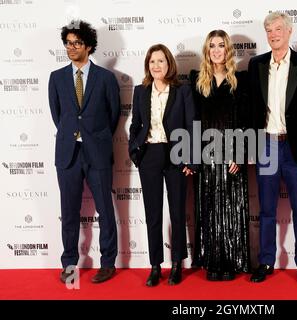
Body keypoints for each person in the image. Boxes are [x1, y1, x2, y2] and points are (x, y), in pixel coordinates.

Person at [248, 12, 297, 284]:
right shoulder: (256, 65)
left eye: (278, 29)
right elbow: (251, 110)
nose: (273, 34)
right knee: (266, 209)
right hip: (266, 144)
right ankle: (266, 261)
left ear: (289, 32)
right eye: (268, 30)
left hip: (295, 146)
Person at [48, 20, 120, 284]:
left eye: (77, 43)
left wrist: (93, 137)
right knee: (68, 211)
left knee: (105, 208)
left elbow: (113, 116)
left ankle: (108, 262)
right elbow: (59, 117)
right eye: (68, 43)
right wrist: (74, 135)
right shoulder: (56, 78)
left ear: (89, 46)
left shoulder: (106, 78)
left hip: (97, 152)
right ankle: (69, 262)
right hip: (68, 154)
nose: (71, 47)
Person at [128, 44, 196, 287]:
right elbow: (135, 123)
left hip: (176, 153)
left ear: (169, 65)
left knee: (178, 211)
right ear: (148, 65)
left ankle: (177, 263)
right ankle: (155, 265)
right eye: (152, 61)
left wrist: (191, 159)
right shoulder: (140, 91)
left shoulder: (182, 91)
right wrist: (134, 151)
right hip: (149, 155)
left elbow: (191, 126)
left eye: (161, 61)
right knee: (153, 214)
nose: (156, 66)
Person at [190, 30, 251, 281]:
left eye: (221, 45)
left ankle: (232, 261)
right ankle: (212, 262)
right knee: (209, 209)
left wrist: (241, 152)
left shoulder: (241, 79)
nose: (217, 50)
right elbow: (191, 120)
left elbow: (248, 119)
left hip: (232, 154)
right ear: (207, 50)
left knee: (231, 208)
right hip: (205, 155)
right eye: (212, 45)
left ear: (228, 50)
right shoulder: (196, 79)